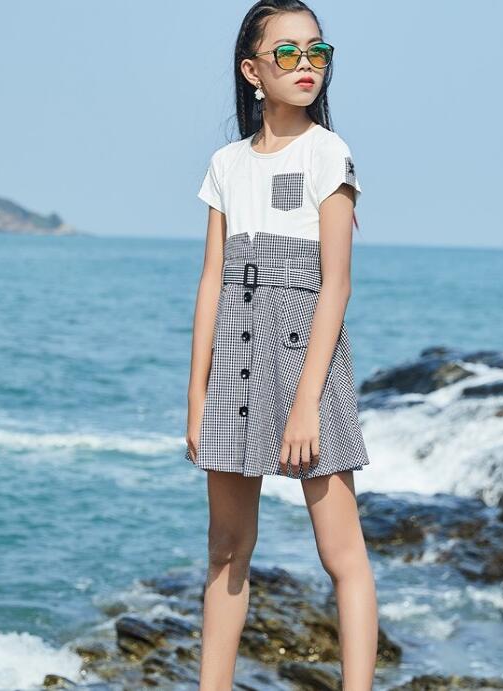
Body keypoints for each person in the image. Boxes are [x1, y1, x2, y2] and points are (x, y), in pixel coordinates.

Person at [185, 1, 378, 688]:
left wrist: (305, 405)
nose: (306, 65)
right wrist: (196, 396)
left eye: (317, 51)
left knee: (340, 553)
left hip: (307, 365)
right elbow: (211, 282)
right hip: (234, 359)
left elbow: (336, 287)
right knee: (226, 548)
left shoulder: (330, 153)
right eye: (288, 52)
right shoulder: (225, 165)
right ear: (252, 70)